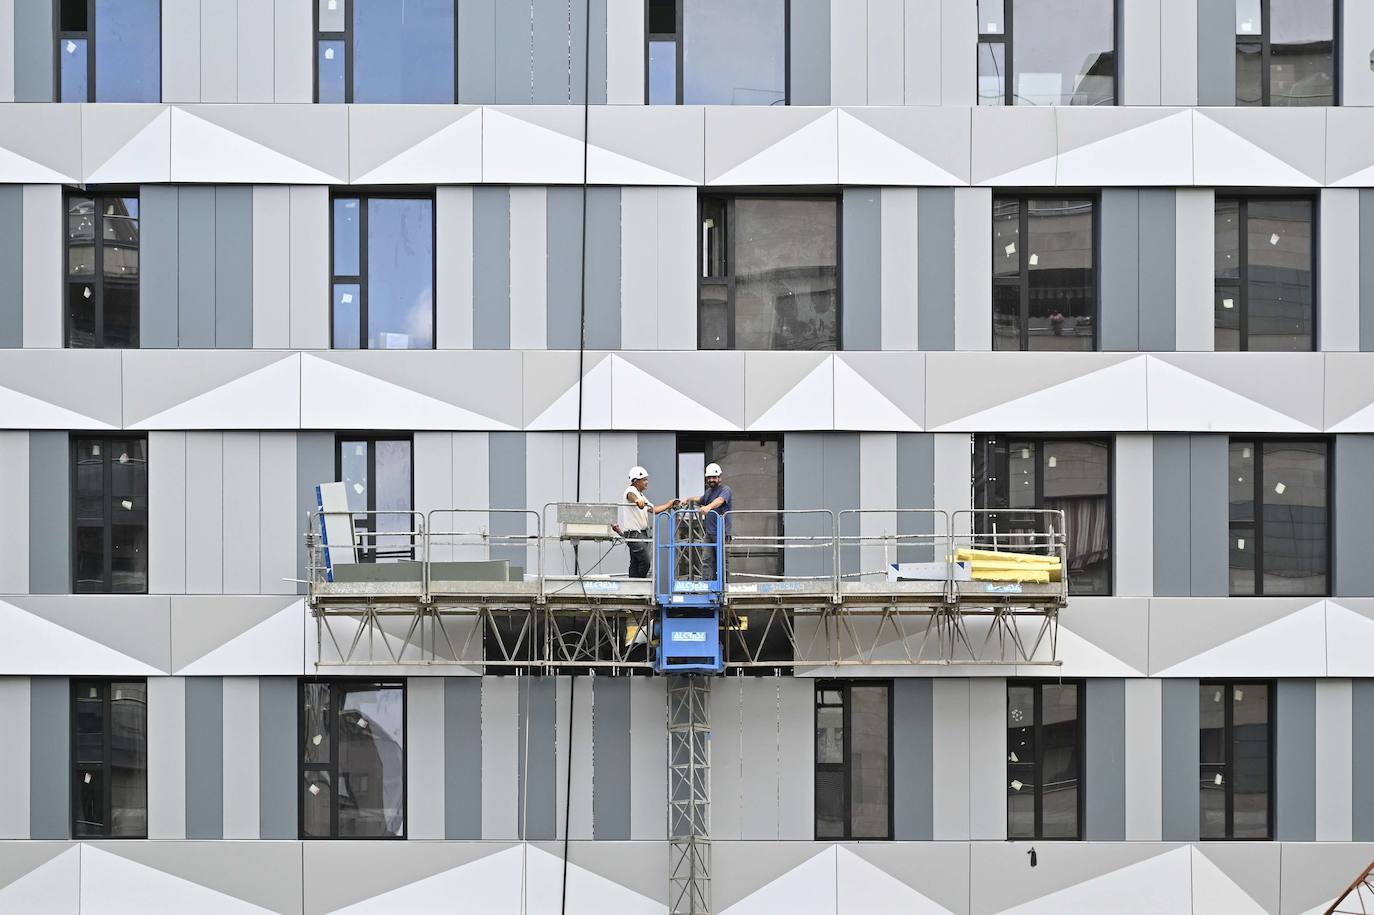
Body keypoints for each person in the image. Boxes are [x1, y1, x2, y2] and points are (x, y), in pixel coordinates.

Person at [616, 466, 677, 578]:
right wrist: (637, 500)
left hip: (641, 534)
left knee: (635, 563)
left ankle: (634, 587)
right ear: (635, 481)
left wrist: (669, 504)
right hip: (634, 534)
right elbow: (631, 496)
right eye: (644, 480)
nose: (647, 482)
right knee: (645, 561)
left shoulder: (641, 495)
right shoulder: (632, 491)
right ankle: (639, 584)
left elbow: (653, 510)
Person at [681, 463, 733, 575]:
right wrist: (687, 499)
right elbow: (700, 499)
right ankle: (707, 587)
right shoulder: (709, 492)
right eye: (709, 478)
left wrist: (708, 507)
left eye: (714, 477)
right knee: (706, 561)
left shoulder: (725, 489)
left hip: (722, 533)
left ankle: (723, 590)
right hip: (709, 534)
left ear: (720, 477)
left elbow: (720, 500)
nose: (711, 480)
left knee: (722, 563)